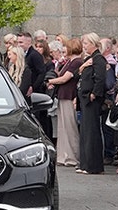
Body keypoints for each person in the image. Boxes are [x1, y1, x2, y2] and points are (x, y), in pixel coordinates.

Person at [46, 38, 83, 167]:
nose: (63, 50)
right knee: (62, 128)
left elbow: (64, 78)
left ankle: (72, 156)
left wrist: (51, 81)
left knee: (70, 127)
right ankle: (63, 156)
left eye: (66, 47)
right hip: (62, 95)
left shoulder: (76, 62)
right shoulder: (69, 61)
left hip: (69, 95)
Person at [76, 33, 107, 175]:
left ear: (94, 43)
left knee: (92, 132)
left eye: (87, 43)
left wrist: (94, 94)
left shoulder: (99, 59)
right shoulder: (89, 59)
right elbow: (79, 75)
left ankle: (92, 165)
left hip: (91, 99)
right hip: (84, 98)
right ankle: (85, 163)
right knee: (85, 132)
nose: (84, 46)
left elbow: (100, 79)